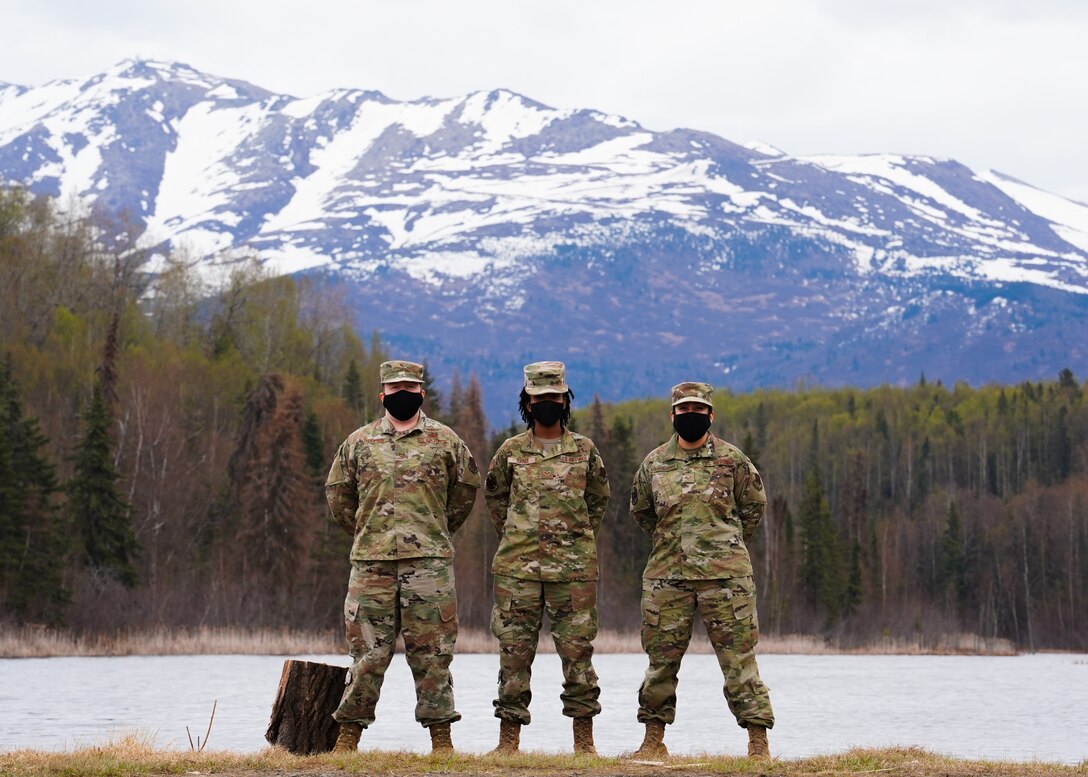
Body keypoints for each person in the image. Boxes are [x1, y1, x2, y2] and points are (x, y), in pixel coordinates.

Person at [325, 360, 481, 754]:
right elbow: (339, 497)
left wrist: (434, 531)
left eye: (410, 390)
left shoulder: (446, 442)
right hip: (371, 566)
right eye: (395, 391)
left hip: (428, 566)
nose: (403, 396)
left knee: (433, 658)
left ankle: (441, 742)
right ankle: (347, 741)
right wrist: (368, 533)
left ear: (421, 394)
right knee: (367, 658)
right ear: (383, 396)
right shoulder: (359, 443)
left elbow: (464, 494)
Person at [629, 381, 774, 759]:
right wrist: (672, 543)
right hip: (667, 577)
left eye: (697, 410)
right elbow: (642, 513)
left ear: (710, 415)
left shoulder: (733, 460)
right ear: (672, 415)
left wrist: (724, 544)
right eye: (683, 411)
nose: (690, 416)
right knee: (660, 663)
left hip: (726, 578)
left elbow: (753, 508)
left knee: (739, 662)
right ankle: (652, 742)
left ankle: (758, 744)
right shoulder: (654, 463)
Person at [483, 361, 610, 755]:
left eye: (554, 398)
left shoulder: (585, 451)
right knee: (513, 656)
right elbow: (495, 498)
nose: (547, 404)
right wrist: (518, 536)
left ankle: (584, 744)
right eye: (539, 399)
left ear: (565, 400)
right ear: (527, 402)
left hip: (573, 573)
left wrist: (574, 539)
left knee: (578, 657)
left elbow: (597, 501)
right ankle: (508, 743)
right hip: (517, 571)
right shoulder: (510, 452)